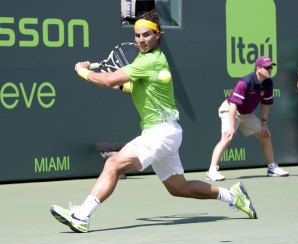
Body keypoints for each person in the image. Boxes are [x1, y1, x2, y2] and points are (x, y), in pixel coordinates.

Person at [50, 11, 257, 233]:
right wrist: (120, 84)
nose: (141, 40)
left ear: (159, 35)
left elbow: (108, 81)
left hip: (161, 133)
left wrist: (82, 72)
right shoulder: (143, 59)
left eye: (146, 35)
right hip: (166, 131)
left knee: (113, 164)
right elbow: (135, 87)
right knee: (179, 188)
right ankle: (233, 196)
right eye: (137, 35)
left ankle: (81, 216)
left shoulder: (150, 60)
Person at [206, 56, 290, 181]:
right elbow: (233, 104)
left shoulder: (268, 83)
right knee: (227, 137)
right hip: (230, 110)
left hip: (247, 114)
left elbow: (265, 103)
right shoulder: (245, 82)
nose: (270, 70)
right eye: (267, 67)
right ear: (258, 68)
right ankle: (212, 171)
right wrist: (231, 125)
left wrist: (264, 123)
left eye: (271, 67)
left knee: (265, 136)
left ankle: (272, 168)